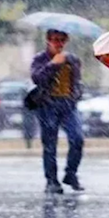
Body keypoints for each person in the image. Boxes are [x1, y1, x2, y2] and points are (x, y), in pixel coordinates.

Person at [31, 29, 85, 194]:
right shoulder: (40, 59)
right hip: (48, 106)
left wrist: (75, 96)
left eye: (62, 40)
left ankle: (71, 173)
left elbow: (77, 81)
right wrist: (53, 64)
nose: (58, 43)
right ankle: (51, 180)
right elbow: (36, 78)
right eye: (55, 40)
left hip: (68, 105)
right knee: (50, 145)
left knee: (77, 139)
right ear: (48, 40)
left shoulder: (72, 60)